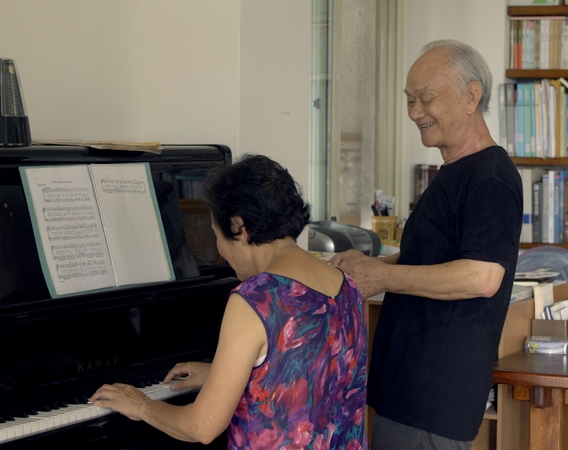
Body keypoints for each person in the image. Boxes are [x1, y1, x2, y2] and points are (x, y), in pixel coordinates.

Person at [91, 154, 369, 449]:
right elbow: (311, 375)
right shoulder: (347, 286)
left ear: (239, 226)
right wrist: (222, 375)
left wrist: (140, 405)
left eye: (216, 234)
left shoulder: (255, 298)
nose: (219, 250)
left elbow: (201, 427)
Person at [330, 40, 522, 449]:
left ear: (471, 96)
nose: (415, 112)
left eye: (426, 99)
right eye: (409, 100)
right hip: (409, 390)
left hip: (432, 400)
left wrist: (383, 276)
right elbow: (430, 258)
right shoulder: (454, 170)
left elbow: (482, 276)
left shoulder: (489, 178)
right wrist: (369, 266)